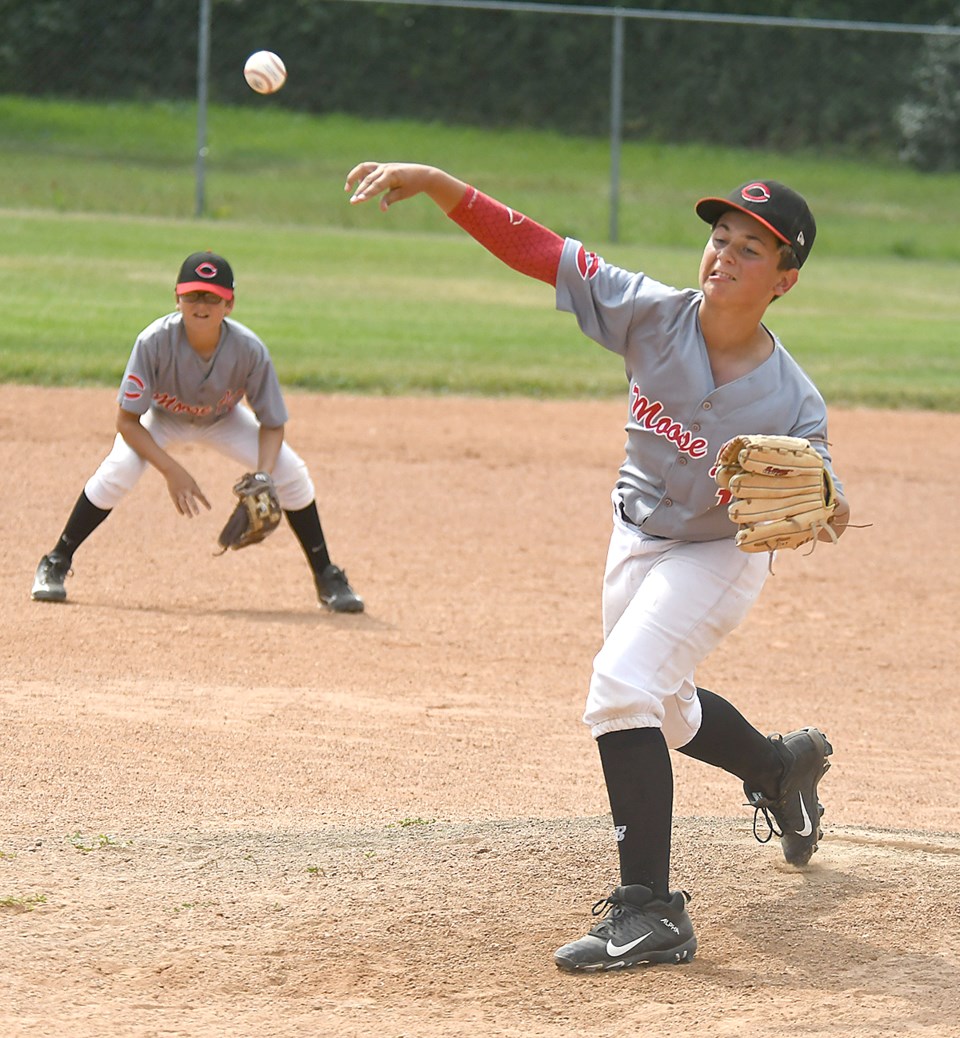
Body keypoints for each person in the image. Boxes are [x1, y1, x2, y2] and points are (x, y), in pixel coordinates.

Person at [344, 162, 850, 971]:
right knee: (666, 708)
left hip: (717, 553)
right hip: (637, 535)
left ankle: (651, 910)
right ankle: (779, 766)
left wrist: (822, 509)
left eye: (752, 249)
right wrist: (443, 186)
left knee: (620, 688)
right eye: (720, 237)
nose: (725, 254)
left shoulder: (792, 400)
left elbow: (829, 502)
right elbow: (540, 250)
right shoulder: (649, 312)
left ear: (785, 280)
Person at [32, 251, 363, 614]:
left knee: (292, 474)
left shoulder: (249, 350)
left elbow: (272, 423)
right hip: (162, 418)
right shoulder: (153, 342)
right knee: (119, 470)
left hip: (223, 419)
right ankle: (56, 560)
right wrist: (171, 469)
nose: (200, 305)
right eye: (192, 295)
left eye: (211, 297)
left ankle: (327, 576)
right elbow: (127, 422)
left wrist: (264, 475)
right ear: (177, 298)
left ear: (229, 304)